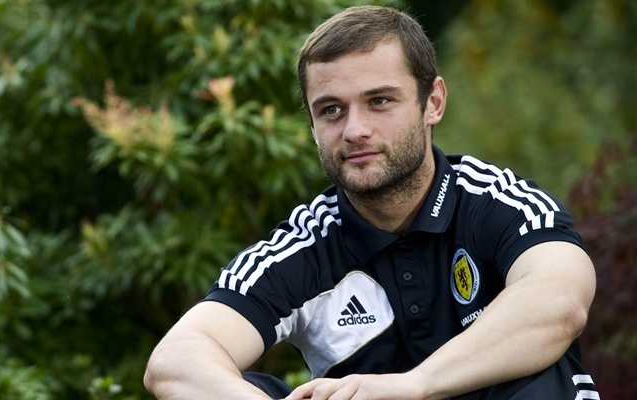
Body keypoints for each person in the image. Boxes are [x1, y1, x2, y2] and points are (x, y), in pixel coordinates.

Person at [143, 5, 599, 400]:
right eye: (331, 110)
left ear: (432, 102)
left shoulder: (495, 202)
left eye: (379, 101)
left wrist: (415, 385)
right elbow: (176, 361)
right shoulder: (303, 250)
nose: (355, 130)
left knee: (535, 369)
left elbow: (559, 303)